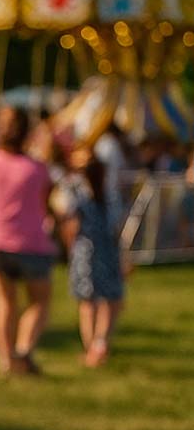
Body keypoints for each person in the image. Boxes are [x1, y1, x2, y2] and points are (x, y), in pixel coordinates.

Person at [0, 105, 56, 375]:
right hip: (31, 243)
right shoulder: (37, 168)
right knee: (39, 302)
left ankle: (7, 361)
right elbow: (47, 202)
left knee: (4, 302)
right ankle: (24, 351)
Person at [58, 148, 125, 367]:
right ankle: (100, 343)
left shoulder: (77, 196)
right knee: (110, 299)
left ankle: (91, 349)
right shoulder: (110, 196)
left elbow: (71, 225)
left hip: (84, 254)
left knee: (88, 303)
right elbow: (117, 228)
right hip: (108, 252)